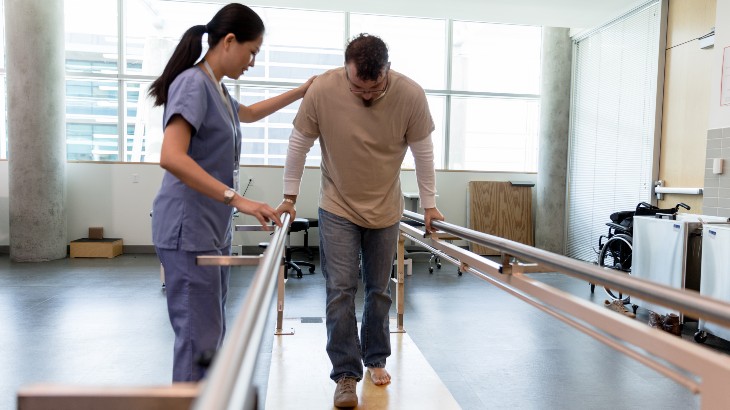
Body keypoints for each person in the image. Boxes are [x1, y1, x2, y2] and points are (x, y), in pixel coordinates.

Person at [148, 3, 313, 382]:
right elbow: (171, 156)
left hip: (210, 229)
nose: (252, 61)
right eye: (252, 52)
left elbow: (251, 113)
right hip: (188, 230)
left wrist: (302, 91)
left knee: (210, 332)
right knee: (197, 337)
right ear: (228, 41)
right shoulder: (193, 83)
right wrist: (238, 199)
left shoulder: (217, 89)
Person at [278, 33, 444, 407]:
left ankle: (375, 358)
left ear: (388, 70)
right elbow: (298, 144)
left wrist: (430, 205)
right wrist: (289, 196)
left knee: (379, 288)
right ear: (346, 70)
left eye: (375, 87)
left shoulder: (411, 95)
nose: (366, 95)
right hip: (337, 205)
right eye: (358, 87)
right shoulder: (322, 89)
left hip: (386, 208)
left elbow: (424, 153)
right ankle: (346, 374)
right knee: (340, 289)